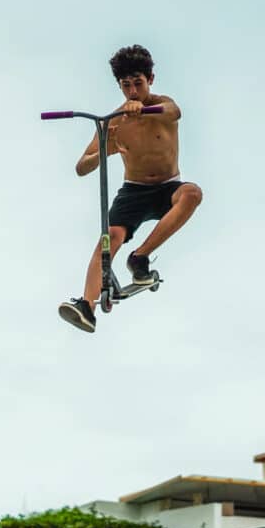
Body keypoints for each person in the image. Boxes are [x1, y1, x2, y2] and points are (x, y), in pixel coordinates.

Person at [58, 45, 203, 333]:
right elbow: (81, 167)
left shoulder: (162, 105)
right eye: (126, 85)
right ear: (119, 85)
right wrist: (104, 149)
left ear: (151, 78)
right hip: (133, 192)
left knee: (192, 194)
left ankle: (139, 257)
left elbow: (176, 113)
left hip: (167, 187)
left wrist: (144, 111)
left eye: (138, 83)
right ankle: (86, 306)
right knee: (108, 238)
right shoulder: (114, 122)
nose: (133, 90)